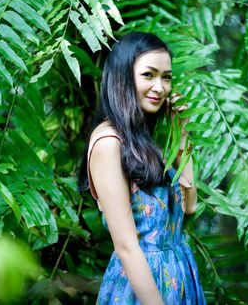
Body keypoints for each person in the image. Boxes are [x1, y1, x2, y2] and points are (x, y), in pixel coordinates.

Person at [79, 32, 206, 304]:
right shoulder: (108, 144)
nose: (160, 87)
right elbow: (126, 247)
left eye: (167, 77)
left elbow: (189, 207)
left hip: (177, 278)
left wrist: (183, 136)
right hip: (143, 289)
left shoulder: (143, 141)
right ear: (123, 77)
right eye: (149, 75)